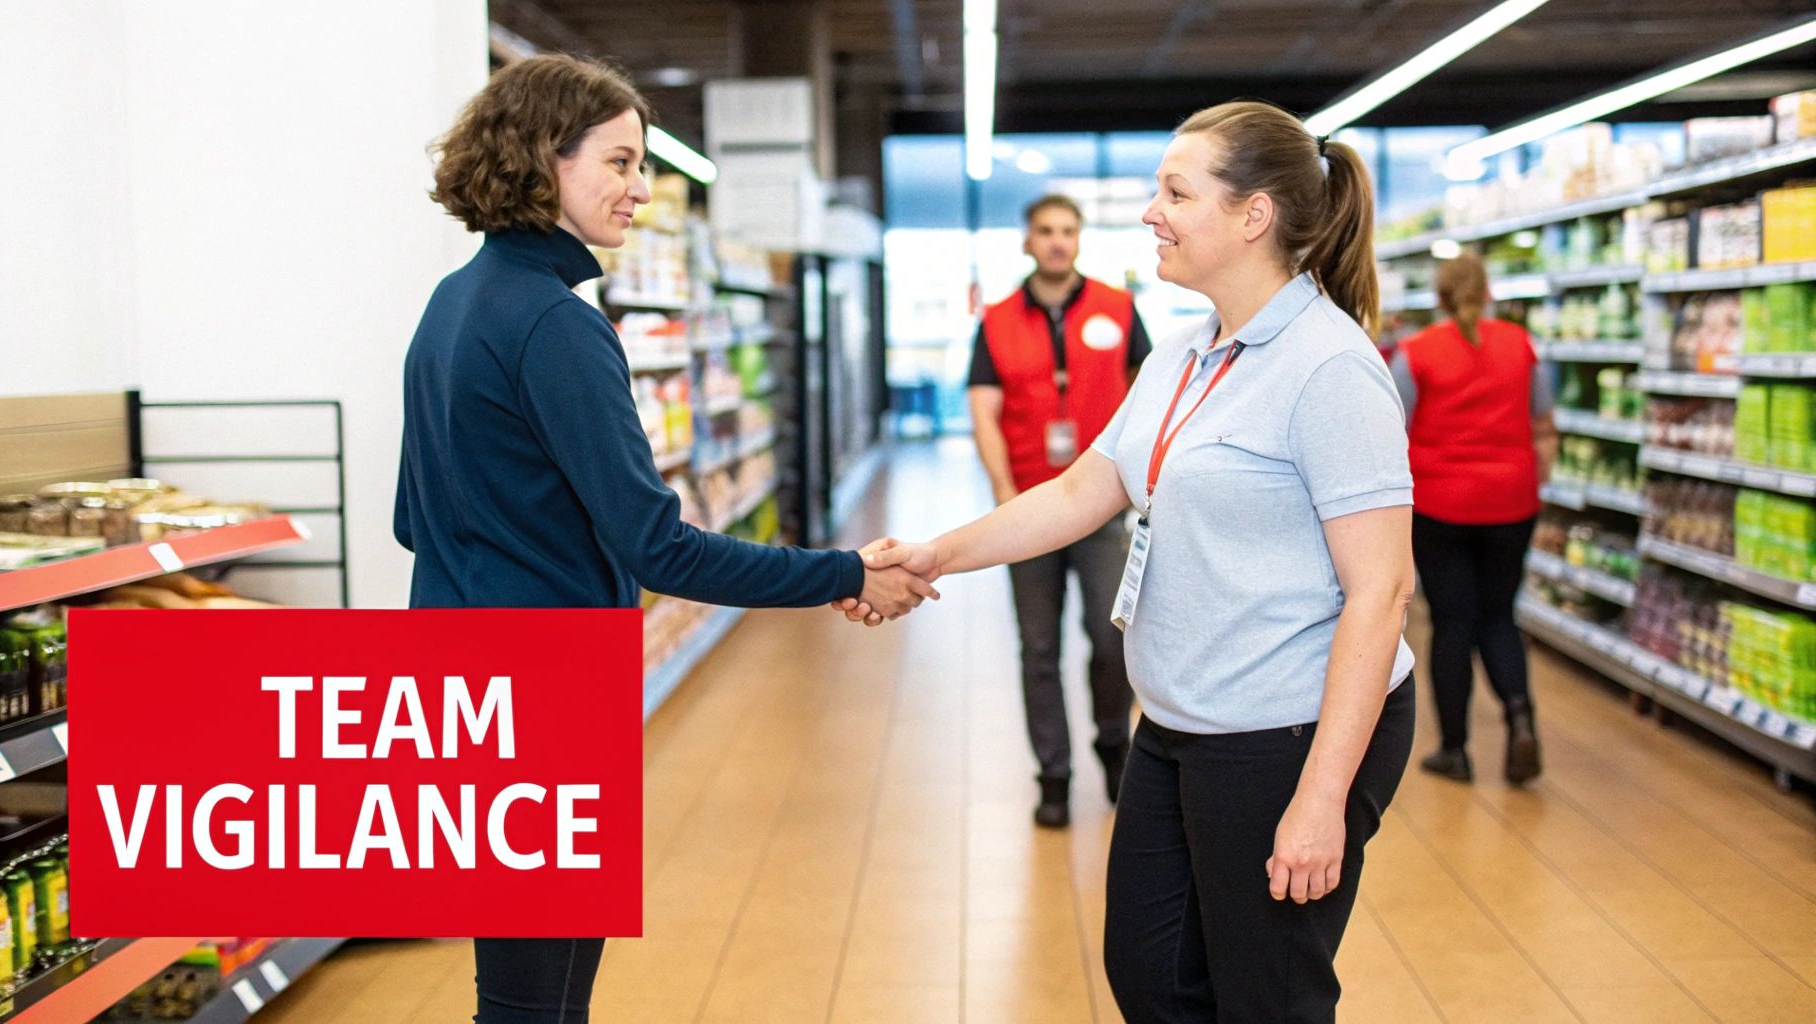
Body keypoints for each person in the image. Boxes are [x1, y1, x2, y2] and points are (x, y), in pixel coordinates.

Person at [842, 100, 1416, 1022]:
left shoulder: (1330, 369)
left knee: (1266, 996)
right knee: (1149, 975)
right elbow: (1080, 493)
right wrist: (930, 556)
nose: (1151, 212)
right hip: (1180, 721)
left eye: (1175, 192)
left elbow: (1381, 594)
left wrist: (1322, 798)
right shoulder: (1186, 355)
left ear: (1252, 216)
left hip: (1284, 733)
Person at [395, 55, 935, 1024]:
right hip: (544, 693)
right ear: (539, 158)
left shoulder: (449, 303)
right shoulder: (557, 325)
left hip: (458, 686)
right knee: (539, 999)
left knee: (515, 987)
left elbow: (410, 517)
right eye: (618, 160)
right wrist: (847, 569)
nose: (640, 187)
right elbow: (659, 547)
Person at [967, 193, 1153, 828]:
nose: (1056, 241)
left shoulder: (1120, 310)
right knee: (1038, 647)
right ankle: (1053, 774)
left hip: (1102, 506)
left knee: (1109, 638)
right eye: (1045, 230)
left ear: (1079, 239)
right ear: (1027, 240)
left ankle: (1113, 744)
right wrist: (1001, 491)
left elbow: (1147, 396)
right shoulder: (995, 321)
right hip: (1028, 509)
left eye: (1067, 231)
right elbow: (983, 410)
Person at [1390, 252, 1557, 785]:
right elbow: (1545, 426)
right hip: (1512, 501)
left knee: (1453, 622)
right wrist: (1535, 483)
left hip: (1441, 505)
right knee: (1499, 616)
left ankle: (1456, 750)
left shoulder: (1415, 353)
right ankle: (1519, 715)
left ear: (1438, 296)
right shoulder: (1521, 345)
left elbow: (1391, 431)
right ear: (1487, 292)